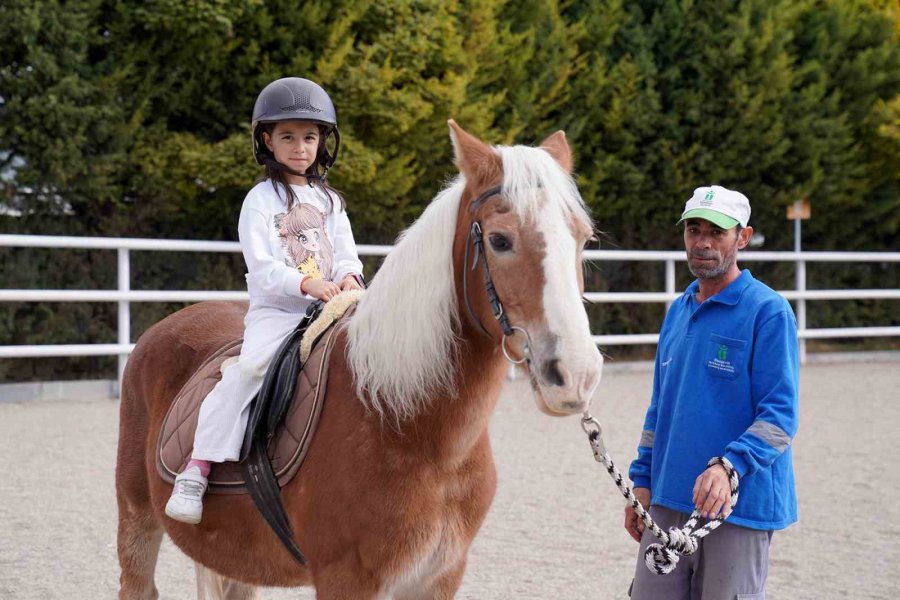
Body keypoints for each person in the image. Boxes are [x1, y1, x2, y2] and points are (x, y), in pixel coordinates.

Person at [165, 77, 364, 524]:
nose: (299, 147)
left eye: (309, 137)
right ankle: (197, 468)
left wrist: (350, 276)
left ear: (322, 143)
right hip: (281, 310)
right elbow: (262, 267)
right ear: (267, 140)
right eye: (288, 137)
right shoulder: (259, 200)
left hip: (333, 305)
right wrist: (307, 285)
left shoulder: (331, 201)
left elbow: (347, 253)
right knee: (250, 369)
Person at [625, 185, 799, 599]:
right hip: (668, 499)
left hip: (738, 510)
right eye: (693, 230)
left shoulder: (768, 312)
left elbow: (779, 416)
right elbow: (659, 410)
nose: (702, 242)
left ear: (742, 237)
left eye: (716, 232)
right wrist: (642, 481)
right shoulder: (678, 311)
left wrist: (729, 466)